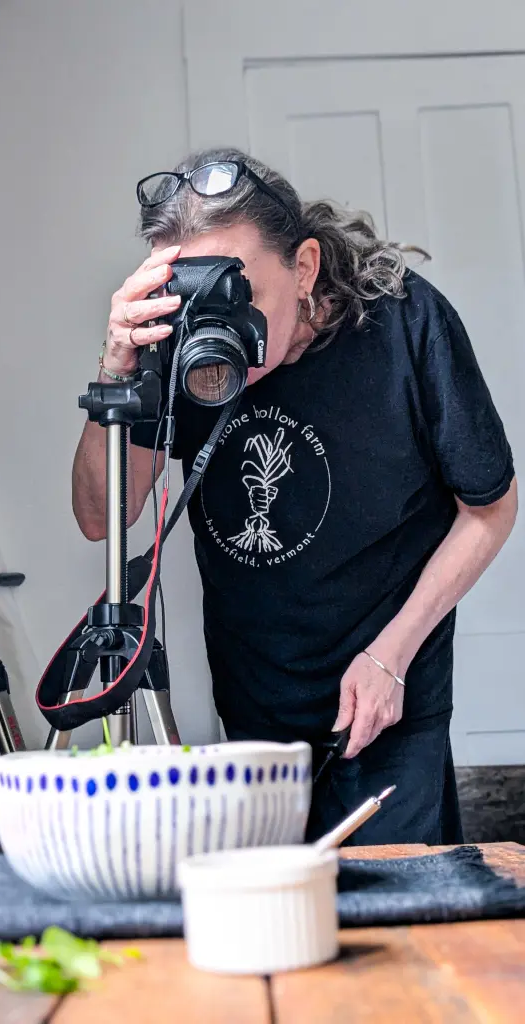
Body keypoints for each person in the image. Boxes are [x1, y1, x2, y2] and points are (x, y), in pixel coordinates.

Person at [72, 148, 518, 845]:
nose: (224, 330)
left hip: (389, 696)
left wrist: (390, 654)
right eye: (198, 293)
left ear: (304, 266)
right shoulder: (177, 346)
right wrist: (116, 367)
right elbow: (103, 518)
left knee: (402, 929)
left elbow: (490, 508)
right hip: (257, 705)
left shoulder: (406, 325)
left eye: (241, 293)